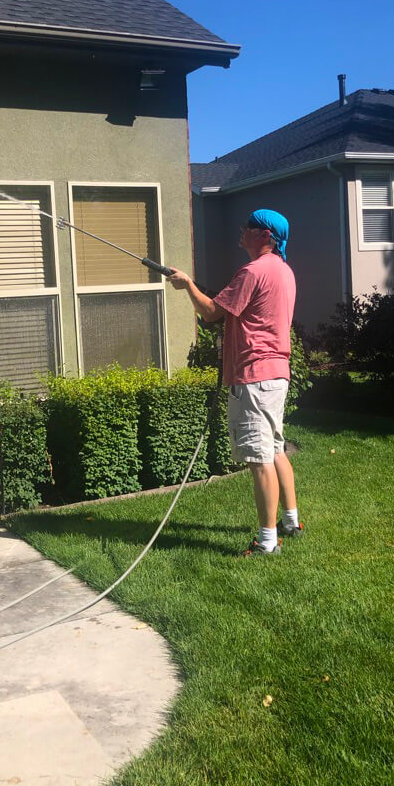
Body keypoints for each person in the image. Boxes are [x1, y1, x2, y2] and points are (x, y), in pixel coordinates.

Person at [167, 209, 303, 555]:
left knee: (259, 459)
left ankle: (268, 542)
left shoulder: (253, 270)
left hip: (254, 377)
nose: (242, 231)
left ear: (266, 237)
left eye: (250, 227)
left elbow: (212, 313)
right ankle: (292, 520)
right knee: (275, 449)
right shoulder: (283, 271)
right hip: (276, 373)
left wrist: (187, 286)